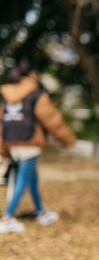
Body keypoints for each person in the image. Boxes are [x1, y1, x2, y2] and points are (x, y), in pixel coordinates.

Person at [0, 59, 76, 233]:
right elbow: (52, 120)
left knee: (31, 177)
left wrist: (3, 148)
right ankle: (7, 217)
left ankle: (40, 212)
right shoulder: (35, 94)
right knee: (23, 177)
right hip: (30, 141)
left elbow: (2, 122)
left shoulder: (6, 94)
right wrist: (69, 140)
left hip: (12, 141)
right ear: (32, 74)